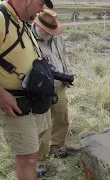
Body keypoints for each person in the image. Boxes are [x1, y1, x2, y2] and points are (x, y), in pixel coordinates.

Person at [0, 0, 54, 179]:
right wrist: (1, 95)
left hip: (31, 101)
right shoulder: (1, 18)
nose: (41, 10)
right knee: (27, 159)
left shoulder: (20, 21)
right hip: (15, 103)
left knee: (30, 155)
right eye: (40, 3)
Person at [31, 9, 74, 176]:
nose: (50, 34)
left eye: (52, 31)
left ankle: (56, 148)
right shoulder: (29, 40)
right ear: (38, 26)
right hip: (41, 90)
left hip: (59, 85)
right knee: (43, 126)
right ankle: (40, 161)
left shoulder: (57, 37)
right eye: (47, 31)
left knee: (62, 118)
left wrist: (67, 73)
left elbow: (63, 55)